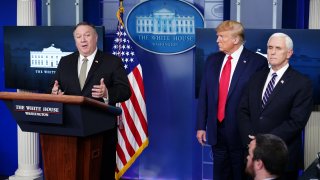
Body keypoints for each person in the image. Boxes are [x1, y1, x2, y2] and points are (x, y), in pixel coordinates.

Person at [50, 22, 131, 179]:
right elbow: (55, 86)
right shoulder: (65, 62)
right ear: (75, 41)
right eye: (78, 37)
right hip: (70, 129)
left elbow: (125, 91)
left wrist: (107, 92)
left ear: (95, 38)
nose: (83, 40)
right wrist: (55, 93)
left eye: (87, 35)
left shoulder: (112, 61)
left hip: (101, 131)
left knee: (100, 173)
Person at [196, 20, 268, 180]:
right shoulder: (212, 60)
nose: (217, 40)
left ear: (235, 39)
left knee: (240, 175)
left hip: (241, 134)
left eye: (221, 36)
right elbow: (204, 95)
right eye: (217, 36)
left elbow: (259, 102)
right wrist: (201, 125)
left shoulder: (257, 63)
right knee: (220, 174)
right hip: (216, 132)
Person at [238, 32, 313, 179]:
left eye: (278, 48)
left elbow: (296, 122)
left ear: (289, 53)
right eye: (270, 47)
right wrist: (251, 142)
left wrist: (263, 142)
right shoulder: (256, 77)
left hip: (281, 158)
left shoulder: (302, 83)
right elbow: (243, 110)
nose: (272, 52)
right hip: (253, 157)